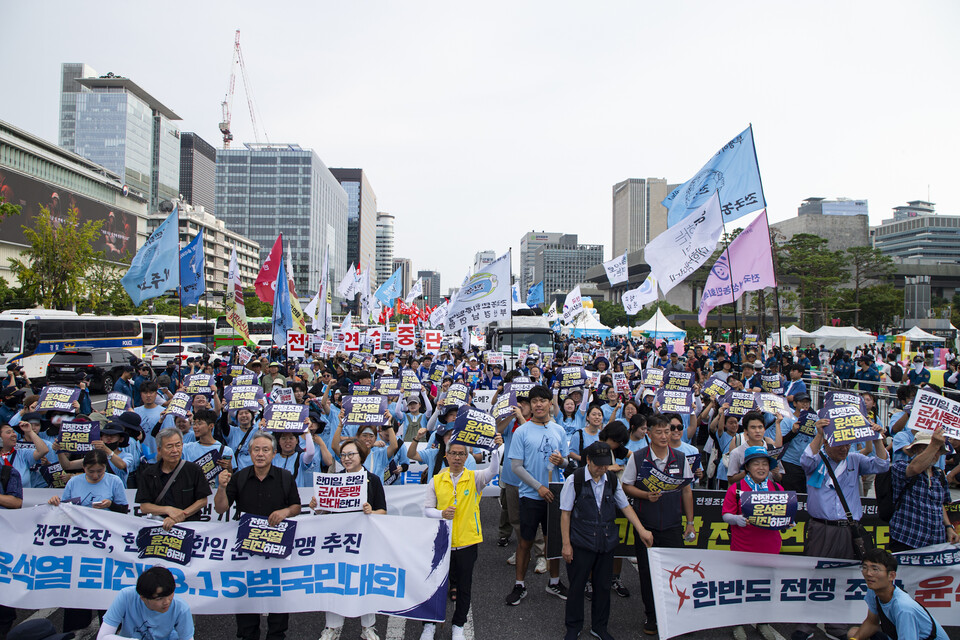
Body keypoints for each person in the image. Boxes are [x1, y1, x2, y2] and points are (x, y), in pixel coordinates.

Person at [793, 417, 889, 640]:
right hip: (821, 528)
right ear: (828, 442)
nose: (845, 448)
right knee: (815, 577)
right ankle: (806, 624)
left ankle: (836, 624)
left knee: (842, 578)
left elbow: (883, 464)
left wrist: (877, 439)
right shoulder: (816, 461)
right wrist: (819, 433)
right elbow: (805, 458)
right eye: (840, 443)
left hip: (848, 529)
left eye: (848, 444)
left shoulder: (855, 459)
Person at [561, 442, 653, 640]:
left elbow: (625, 507)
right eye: (597, 465)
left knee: (603, 587)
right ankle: (573, 626)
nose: (601, 469)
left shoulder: (611, 479)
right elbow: (565, 514)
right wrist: (566, 544)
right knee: (577, 586)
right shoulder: (574, 480)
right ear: (588, 460)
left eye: (605, 465)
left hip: (606, 542)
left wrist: (641, 530)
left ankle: (599, 627)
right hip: (581, 542)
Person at [215, 431, 301, 640]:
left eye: (265, 450)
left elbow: (296, 506)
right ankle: (247, 634)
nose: (260, 454)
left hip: (276, 546)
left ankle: (276, 634)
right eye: (256, 450)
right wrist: (221, 488)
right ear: (250, 453)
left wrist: (285, 512)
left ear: (274, 453)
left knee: (277, 596)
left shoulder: (285, 476)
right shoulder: (240, 477)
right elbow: (220, 508)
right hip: (247, 547)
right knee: (246, 595)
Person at [420, 435, 502, 640]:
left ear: (467, 457)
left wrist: (496, 449)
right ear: (446, 456)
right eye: (453, 453)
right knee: (434, 585)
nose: (457, 457)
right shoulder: (436, 480)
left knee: (464, 586)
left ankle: (458, 625)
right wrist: (441, 514)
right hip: (441, 541)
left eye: (461, 454)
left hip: (467, 541)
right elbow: (428, 509)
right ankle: (428, 625)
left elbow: (493, 470)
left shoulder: (474, 477)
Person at [621, 415, 696, 635]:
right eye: (659, 432)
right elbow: (626, 486)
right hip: (646, 525)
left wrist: (689, 522)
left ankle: (676, 615)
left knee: (677, 572)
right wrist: (645, 495)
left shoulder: (680, 457)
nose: (665, 436)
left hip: (673, 525)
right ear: (649, 433)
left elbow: (686, 490)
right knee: (647, 572)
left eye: (668, 431)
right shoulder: (639, 457)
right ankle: (652, 616)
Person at [311, 437, 386, 640]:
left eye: (350, 454)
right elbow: (323, 512)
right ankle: (332, 627)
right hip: (338, 540)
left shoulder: (373, 480)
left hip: (365, 540)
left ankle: (368, 627)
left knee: (365, 580)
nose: (346, 459)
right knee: (335, 580)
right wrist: (317, 507)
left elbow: (383, 511)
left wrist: (372, 512)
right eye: (343, 455)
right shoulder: (334, 478)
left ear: (361, 455)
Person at [505, 384, 569, 605]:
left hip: (555, 494)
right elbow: (516, 467)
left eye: (543, 400)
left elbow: (567, 461)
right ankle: (519, 585)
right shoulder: (522, 431)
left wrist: (562, 461)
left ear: (550, 403)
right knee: (525, 541)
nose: (538, 404)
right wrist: (538, 487)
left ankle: (554, 581)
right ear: (530, 406)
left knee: (554, 541)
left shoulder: (558, 430)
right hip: (531, 496)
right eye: (534, 401)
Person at [848, 549, 949, 640]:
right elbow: (872, 623)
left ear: (891, 575)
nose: (868, 573)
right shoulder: (873, 591)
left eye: (875, 569)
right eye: (865, 567)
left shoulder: (903, 607)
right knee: (854, 634)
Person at [888, 427, 959, 551]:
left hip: (935, 541)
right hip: (907, 538)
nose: (933, 453)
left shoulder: (939, 474)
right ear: (916, 450)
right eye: (925, 448)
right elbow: (914, 468)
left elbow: (939, 503)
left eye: (937, 450)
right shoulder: (900, 467)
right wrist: (935, 444)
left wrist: (948, 527)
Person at [135, 428, 211, 531]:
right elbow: (144, 506)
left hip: (189, 527)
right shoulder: (149, 473)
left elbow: (202, 500)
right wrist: (168, 510)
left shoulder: (194, 470)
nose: (175, 450)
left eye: (178, 445)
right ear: (159, 450)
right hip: (159, 528)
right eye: (169, 446)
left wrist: (181, 515)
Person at [97, 566, 194, 640]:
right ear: (143, 597)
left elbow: (187, 638)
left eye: (170, 594)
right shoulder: (126, 596)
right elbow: (103, 637)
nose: (167, 601)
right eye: (159, 598)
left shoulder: (181, 608)